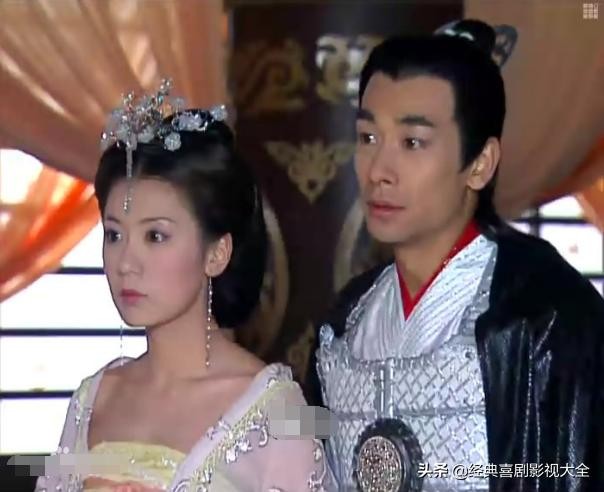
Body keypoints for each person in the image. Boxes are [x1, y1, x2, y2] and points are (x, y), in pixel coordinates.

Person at [306, 20, 604, 492]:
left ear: (480, 164)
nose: (379, 170)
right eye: (368, 138)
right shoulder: (346, 322)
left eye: (412, 142)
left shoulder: (543, 314)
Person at [36, 81, 329, 492]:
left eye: (155, 236)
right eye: (114, 235)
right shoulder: (95, 397)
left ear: (217, 253)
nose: (126, 263)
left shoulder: (274, 409)